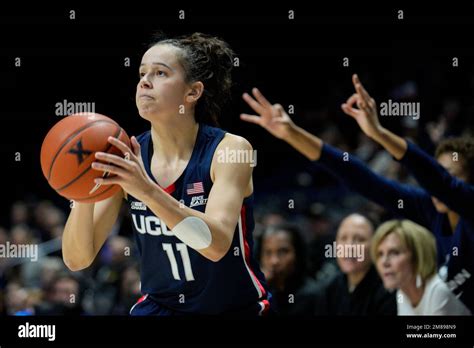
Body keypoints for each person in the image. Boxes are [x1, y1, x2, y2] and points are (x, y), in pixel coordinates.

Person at [62, 33, 271, 316]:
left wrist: (147, 190)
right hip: (160, 307)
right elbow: (78, 258)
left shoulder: (229, 150)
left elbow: (216, 244)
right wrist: (83, 185)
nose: (145, 81)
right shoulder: (127, 155)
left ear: (193, 92)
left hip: (233, 308)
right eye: (142, 73)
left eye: (160, 72)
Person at [240, 76, 474, 313]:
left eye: (453, 176)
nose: (436, 187)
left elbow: (436, 179)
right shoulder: (430, 208)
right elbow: (360, 177)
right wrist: (292, 134)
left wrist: (379, 133)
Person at [372, 219, 470, 315]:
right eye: (380, 254)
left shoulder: (438, 290)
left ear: (418, 256)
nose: (384, 262)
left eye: (394, 253)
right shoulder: (401, 293)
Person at [313, 214, 396, 315]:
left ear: (376, 245)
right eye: (343, 238)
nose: (349, 246)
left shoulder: (388, 290)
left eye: (360, 239)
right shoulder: (330, 288)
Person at [258, 223, 317, 315]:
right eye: (268, 253)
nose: (274, 261)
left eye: (282, 252)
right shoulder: (258, 292)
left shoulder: (313, 296)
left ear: (298, 254)